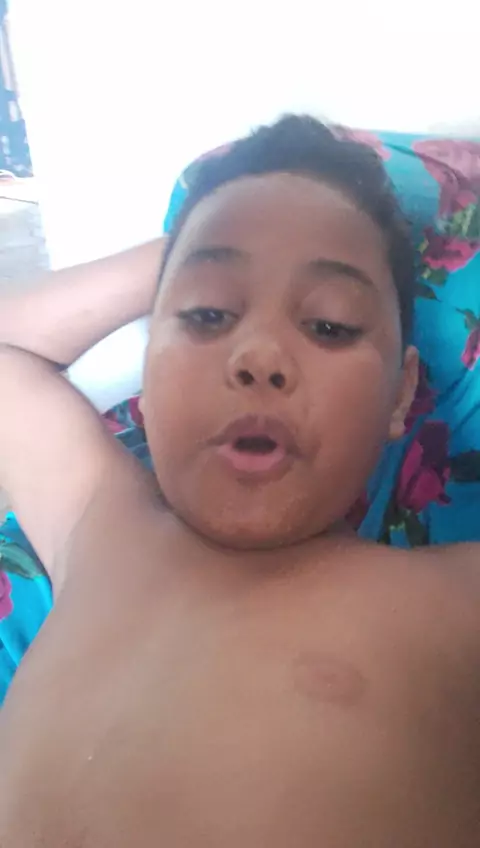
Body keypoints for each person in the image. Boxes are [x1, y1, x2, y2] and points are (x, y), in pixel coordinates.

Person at [0, 114, 479, 847]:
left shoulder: (448, 607)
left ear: (401, 397)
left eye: (330, 325)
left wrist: (212, 267)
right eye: (208, 313)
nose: (259, 356)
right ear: (148, 368)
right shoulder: (98, 529)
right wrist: (183, 250)